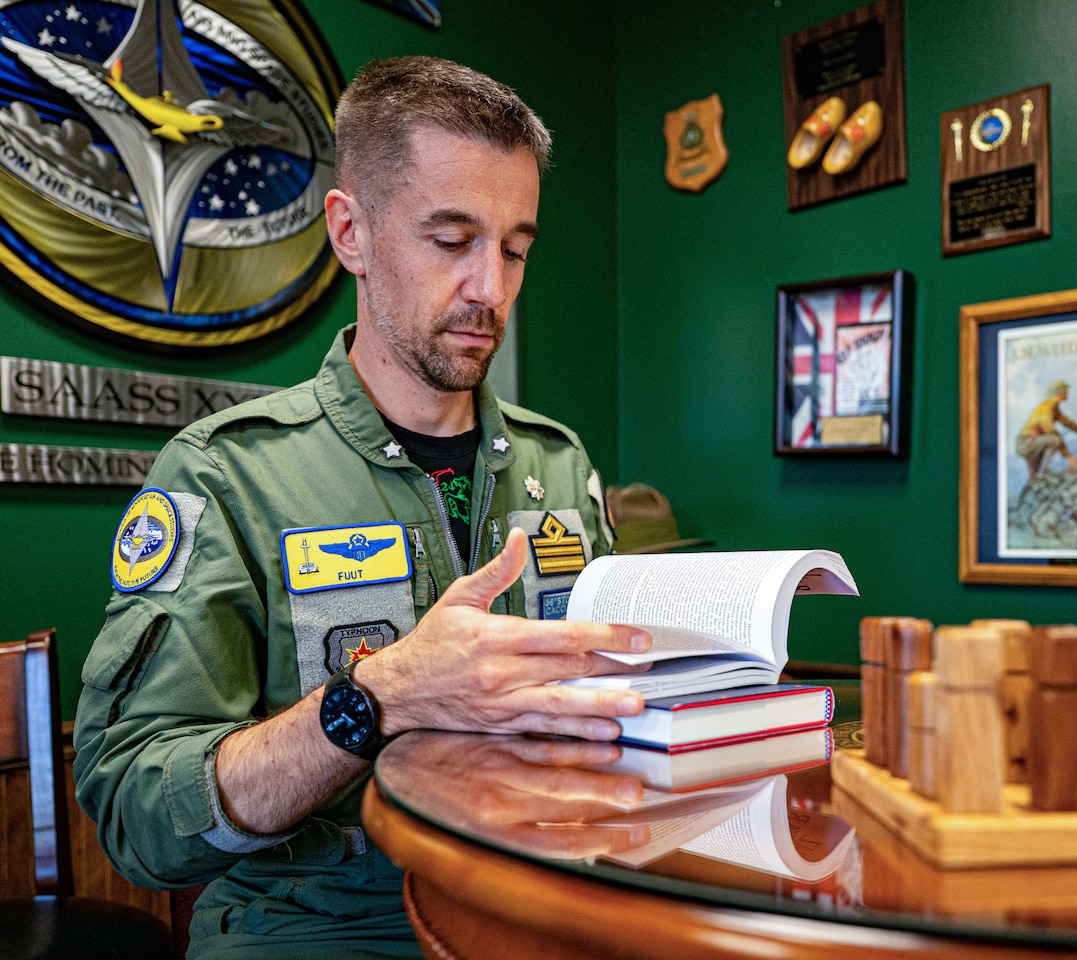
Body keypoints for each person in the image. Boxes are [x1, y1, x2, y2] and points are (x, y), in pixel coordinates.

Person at [73, 56, 650, 959]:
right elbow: (137, 818)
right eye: (451, 241)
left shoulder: (558, 461)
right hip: (320, 925)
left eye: (515, 249)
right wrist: (374, 699)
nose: (491, 291)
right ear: (352, 233)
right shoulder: (228, 476)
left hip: (546, 904)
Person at [1015, 379, 1077, 483]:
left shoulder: (1053, 407)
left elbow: (1068, 423)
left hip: (1033, 443)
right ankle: (1043, 473)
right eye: (1066, 391)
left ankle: (1033, 489)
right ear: (1061, 393)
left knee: (1034, 478)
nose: (1068, 393)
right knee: (1054, 440)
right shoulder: (1046, 410)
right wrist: (1069, 457)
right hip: (1027, 444)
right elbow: (1053, 433)